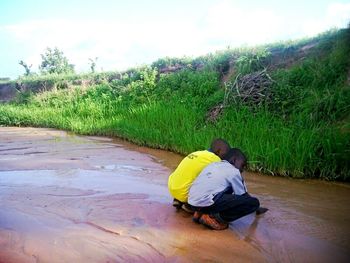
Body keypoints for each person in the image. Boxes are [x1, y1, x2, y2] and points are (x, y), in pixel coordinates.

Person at [188, 148, 268, 230]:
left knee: (226, 189)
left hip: (192, 202)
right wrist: (257, 208)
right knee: (253, 202)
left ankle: (199, 213)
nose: (242, 170)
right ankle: (214, 218)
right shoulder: (234, 171)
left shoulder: (212, 165)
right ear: (234, 160)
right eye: (242, 165)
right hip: (206, 203)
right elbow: (244, 195)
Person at [168, 138, 230, 211]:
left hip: (172, 187)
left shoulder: (198, 153)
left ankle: (178, 200)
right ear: (218, 151)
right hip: (185, 194)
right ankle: (190, 205)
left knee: (192, 174)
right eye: (226, 153)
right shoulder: (216, 159)